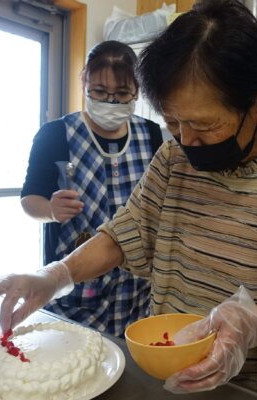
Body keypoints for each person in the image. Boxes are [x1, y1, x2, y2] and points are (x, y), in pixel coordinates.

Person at [0, 1, 257, 398]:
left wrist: (254, 323)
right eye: (172, 122)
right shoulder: (174, 156)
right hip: (169, 374)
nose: (186, 140)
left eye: (203, 125)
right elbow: (127, 232)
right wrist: (55, 275)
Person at [19, 40, 163, 337]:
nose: (110, 103)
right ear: (84, 79)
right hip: (75, 287)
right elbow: (29, 199)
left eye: (122, 94)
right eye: (99, 92)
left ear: (137, 90)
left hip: (136, 289)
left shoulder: (150, 135)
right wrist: (49, 210)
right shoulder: (55, 135)